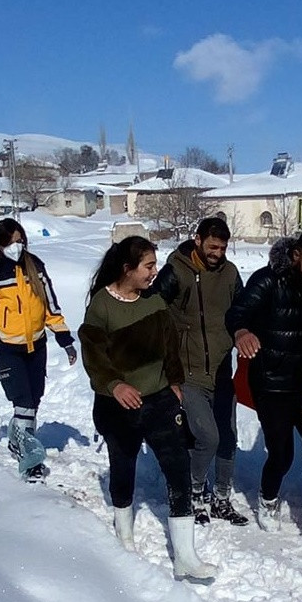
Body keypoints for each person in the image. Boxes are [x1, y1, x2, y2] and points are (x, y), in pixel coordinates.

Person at [78, 236, 217, 583]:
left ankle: (185, 555)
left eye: (155, 265)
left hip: (158, 400)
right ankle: (124, 534)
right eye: (149, 266)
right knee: (123, 467)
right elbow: (94, 357)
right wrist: (116, 385)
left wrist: (174, 381)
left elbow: (170, 345)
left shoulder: (154, 300)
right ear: (127, 269)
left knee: (178, 467)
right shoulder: (101, 306)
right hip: (118, 405)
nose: (155, 273)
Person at [225, 227, 302, 548]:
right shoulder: (267, 280)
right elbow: (238, 312)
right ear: (296, 256)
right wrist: (242, 332)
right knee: (282, 453)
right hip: (272, 383)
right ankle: (268, 498)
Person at [149, 217, 248, 526]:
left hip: (221, 370)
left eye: (223, 247)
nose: (217, 252)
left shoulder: (230, 274)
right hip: (188, 372)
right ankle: (195, 493)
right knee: (207, 437)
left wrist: (244, 330)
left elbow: (242, 309)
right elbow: (151, 307)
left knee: (228, 439)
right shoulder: (177, 271)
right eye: (212, 246)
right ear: (198, 240)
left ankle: (221, 499)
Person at [0, 219, 77, 480]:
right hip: (7, 348)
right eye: (11, 242)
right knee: (22, 402)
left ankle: (18, 439)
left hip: (36, 346)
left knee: (33, 400)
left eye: (20, 240)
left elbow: (51, 308)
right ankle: (30, 460)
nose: (17, 246)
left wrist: (66, 340)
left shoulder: (35, 266)